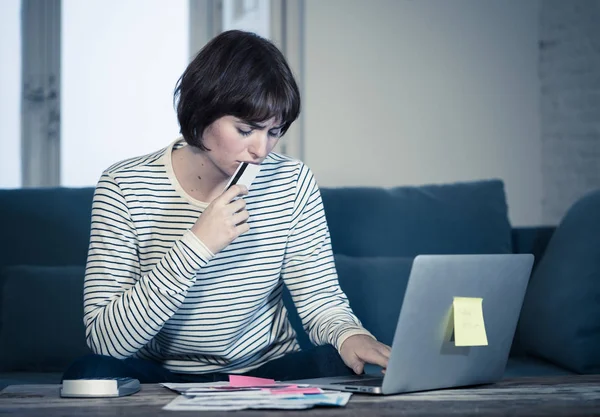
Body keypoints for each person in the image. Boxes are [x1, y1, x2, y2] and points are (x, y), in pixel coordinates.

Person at [63, 30, 390, 383]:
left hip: (265, 369)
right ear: (202, 113)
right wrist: (196, 246)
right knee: (91, 373)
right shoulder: (123, 185)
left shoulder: (292, 180)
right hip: (159, 371)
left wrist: (349, 335)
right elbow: (106, 341)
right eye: (245, 129)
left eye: (274, 131)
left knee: (337, 363)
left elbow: (319, 297)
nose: (261, 150)